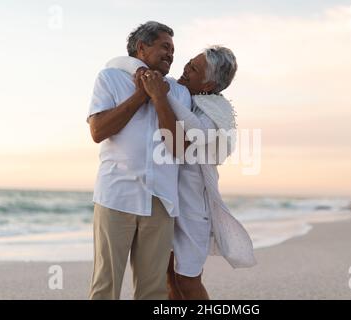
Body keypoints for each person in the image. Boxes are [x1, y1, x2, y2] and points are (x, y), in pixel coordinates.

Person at [107, 46, 257, 300]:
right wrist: (144, 72)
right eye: (189, 63)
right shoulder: (178, 93)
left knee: (187, 280)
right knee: (167, 277)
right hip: (166, 204)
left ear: (208, 84)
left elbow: (192, 132)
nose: (186, 69)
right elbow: (118, 61)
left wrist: (161, 96)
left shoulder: (215, 111)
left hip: (193, 212)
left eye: (194, 69)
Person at [86, 21, 191, 300]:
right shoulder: (109, 78)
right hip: (116, 195)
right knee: (105, 286)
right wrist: (139, 95)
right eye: (164, 47)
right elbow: (98, 131)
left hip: (161, 200)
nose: (170, 54)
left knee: (153, 291)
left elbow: (180, 148)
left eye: (173, 50)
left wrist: (158, 98)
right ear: (142, 48)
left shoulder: (178, 92)